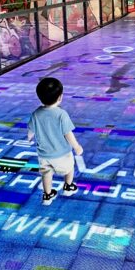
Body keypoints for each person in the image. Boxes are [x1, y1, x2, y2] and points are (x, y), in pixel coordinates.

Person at [27, 77, 83, 205]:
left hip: (44, 154)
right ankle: (68, 187)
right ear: (60, 97)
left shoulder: (36, 114)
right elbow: (68, 133)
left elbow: (31, 129)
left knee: (46, 174)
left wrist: (29, 137)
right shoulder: (61, 114)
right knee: (69, 168)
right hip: (62, 153)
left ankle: (47, 195)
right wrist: (77, 146)